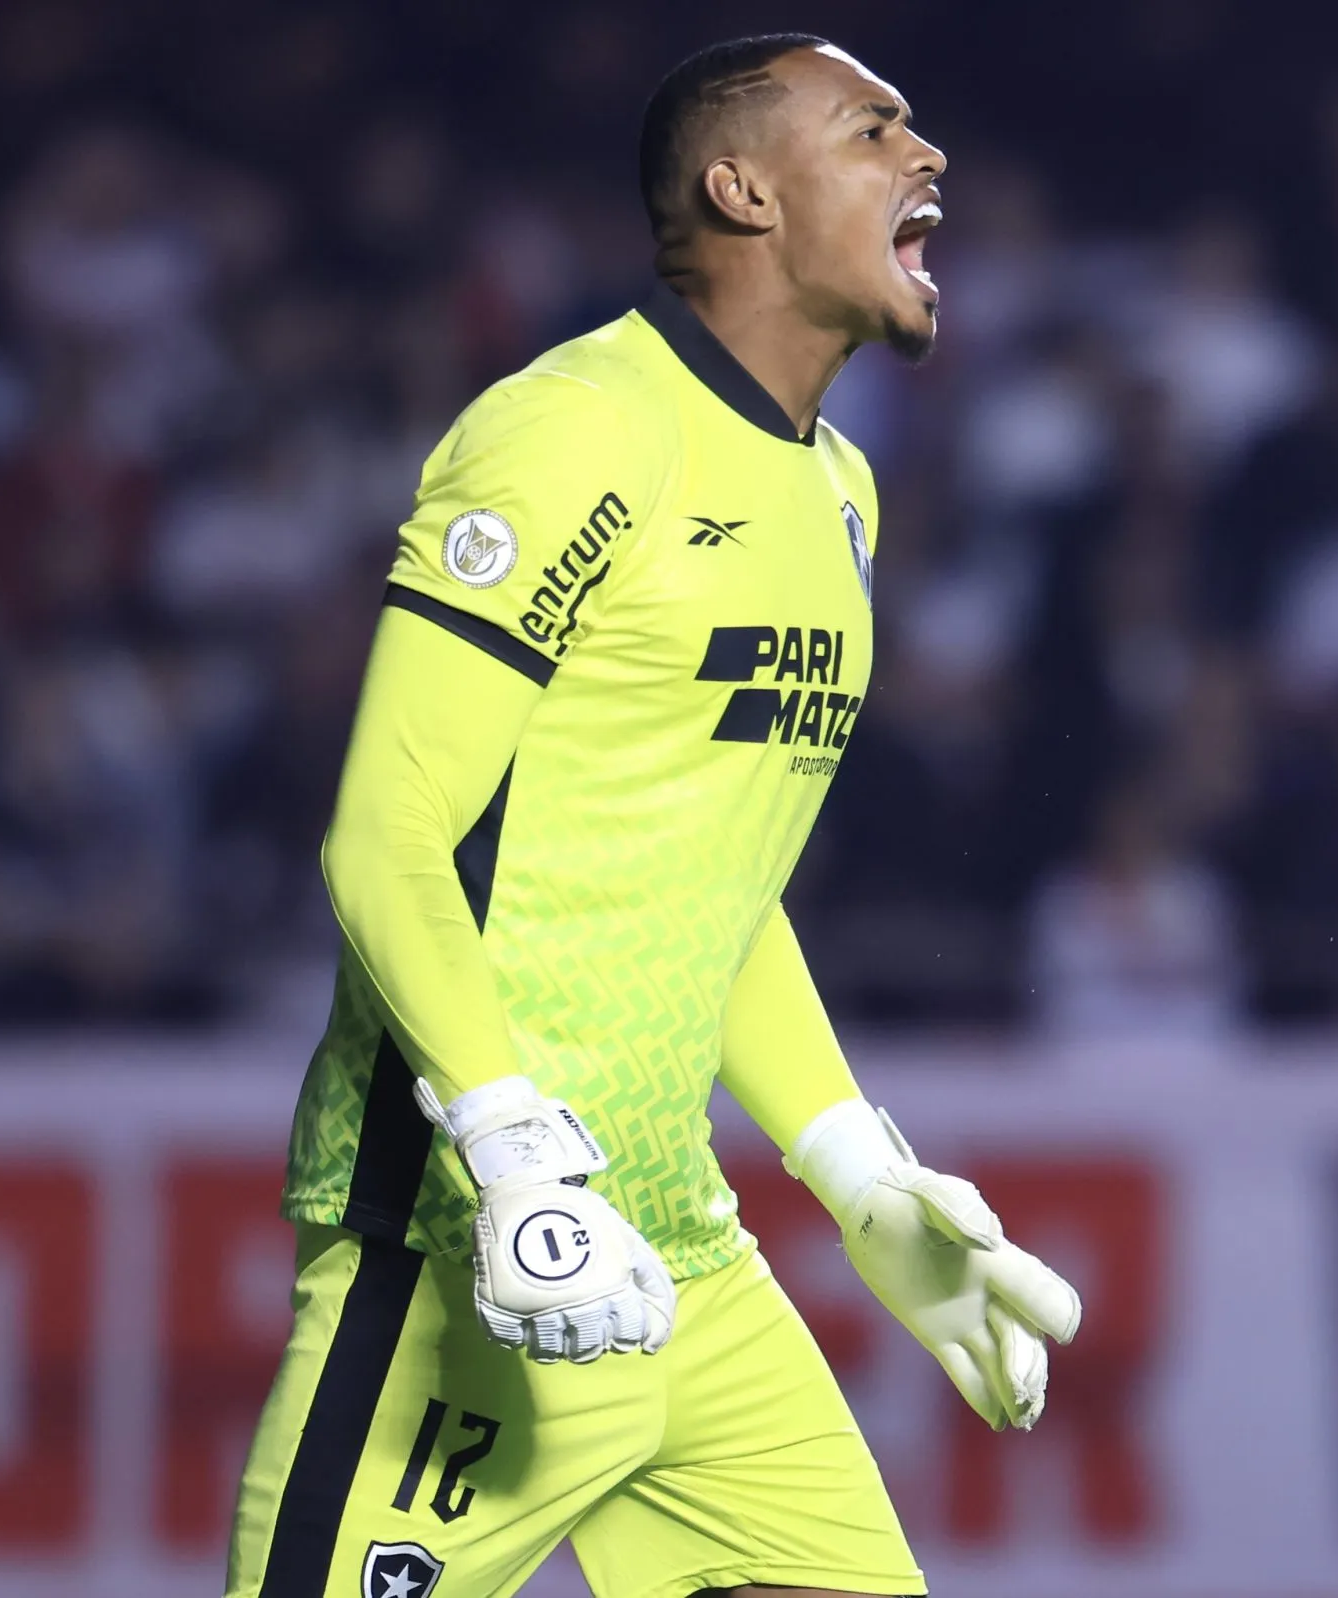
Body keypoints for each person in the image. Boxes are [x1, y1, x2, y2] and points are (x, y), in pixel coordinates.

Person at [226, 35, 1081, 1598]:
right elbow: (386, 832)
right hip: (466, 1253)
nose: (929, 157)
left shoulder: (840, 495)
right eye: (873, 127)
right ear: (742, 187)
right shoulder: (572, 431)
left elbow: (715, 882)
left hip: (682, 1252)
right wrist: (510, 1152)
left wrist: (856, 1175)